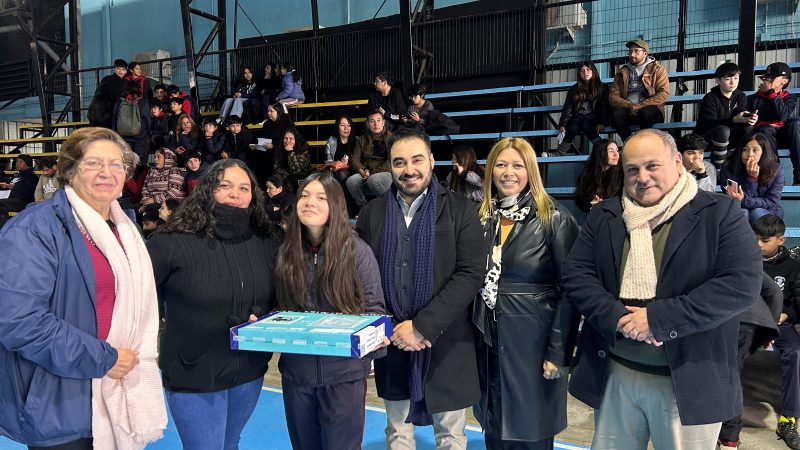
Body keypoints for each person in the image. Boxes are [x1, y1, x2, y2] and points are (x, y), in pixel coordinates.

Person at [563, 128, 762, 450]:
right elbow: (577, 273)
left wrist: (658, 320)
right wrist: (615, 316)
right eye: (632, 169)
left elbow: (740, 285)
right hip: (615, 373)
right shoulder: (606, 215)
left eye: (652, 166)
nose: (642, 177)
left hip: (688, 380)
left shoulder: (719, 213)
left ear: (677, 162)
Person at [0, 127, 167, 449]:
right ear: (69, 171)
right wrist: (103, 358)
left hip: (118, 390)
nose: (107, 173)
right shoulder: (34, 229)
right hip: (60, 397)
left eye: (117, 164)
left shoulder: (124, 228)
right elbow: (18, 321)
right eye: (94, 163)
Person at [356, 128, 485, 450]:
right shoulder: (372, 213)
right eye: (399, 162)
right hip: (393, 341)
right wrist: (382, 328)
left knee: (451, 436)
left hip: (446, 342)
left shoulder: (460, 209)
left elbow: (471, 273)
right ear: (390, 166)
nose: (408, 169)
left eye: (416, 160)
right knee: (397, 433)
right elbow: (362, 276)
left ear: (430, 160)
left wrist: (424, 326)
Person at [147, 158, 279, 449]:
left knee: (230, 444)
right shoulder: (171, 242)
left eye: (244, 187)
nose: (236, 194)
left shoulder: (266, 240)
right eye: (225, 186)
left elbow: (277, 297)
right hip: (193, 371)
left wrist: (265, 314)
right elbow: (138, 299)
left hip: (249, 370)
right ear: (208, 190)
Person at [473, 137, 580, 449]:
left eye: (517, 165)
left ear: (530, 171)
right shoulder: (481, 219)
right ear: (491, 171)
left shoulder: (554, 218)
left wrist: (558, 353)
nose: (509, 172)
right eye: (502, 165)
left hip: (533, 348)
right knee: (495, 430)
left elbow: (571, 291)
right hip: (489, 345)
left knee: (531, 435)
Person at [276, 172, 386, 450]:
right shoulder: (285, 253)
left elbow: (374, 310)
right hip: (296, 375)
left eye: (321, 197)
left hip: (344, 376)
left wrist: (373, 344)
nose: (310, 202)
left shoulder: (357, 252)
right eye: (304, 195)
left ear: (335, 205)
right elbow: (277, 307)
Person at [715, 214, 788, 450]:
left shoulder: (723, 253)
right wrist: (770, 328)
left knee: (729, 377)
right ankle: (725, 435)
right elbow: (774, 294)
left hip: (738, 323)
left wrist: (771, 328)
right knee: (730, 376)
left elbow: (775, 293)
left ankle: (728, 436)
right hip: (739, 322)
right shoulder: (738, 252)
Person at [753, 214, 800, 450]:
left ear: (780, 240)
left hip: (780, 325)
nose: (758, 245)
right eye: (755, 239)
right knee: (724, 349)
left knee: (795, 352)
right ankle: (726, 421)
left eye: (764, 240)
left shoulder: (794, 265)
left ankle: (788, 419)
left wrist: (786, 315)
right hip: (749, 325)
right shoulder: (745, 260)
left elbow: (797, 303)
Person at [747, 62, 800, 185]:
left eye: (772, 78)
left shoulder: (790, 98)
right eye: (766, 77)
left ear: (784, 81)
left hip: (785, 137)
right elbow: (758, 120)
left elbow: (782, 115)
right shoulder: (753, 98)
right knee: (765, 128)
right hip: (765, 136)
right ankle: (776, 174)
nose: (767, 80)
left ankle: (798, 172)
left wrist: (770, 93)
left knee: (795, 122)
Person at [694, 62, 755, 169]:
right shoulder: (710, 98)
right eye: (727, 79)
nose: (733, 82)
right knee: (723, 130)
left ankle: (745, 166)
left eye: (736, 78)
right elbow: (707, 124)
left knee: (750, 129)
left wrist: (749, 119)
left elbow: (741, 118)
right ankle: (719, 168)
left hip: (731, 139)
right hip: (709, 139)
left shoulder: (741, 96)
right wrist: (733, 120)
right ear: (718, 80)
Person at [608, 40, 669, 141]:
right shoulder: (622, 71)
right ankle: (629, 143)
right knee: (616, 113)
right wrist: (629, 105)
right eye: (630, 51)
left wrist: (641, 105)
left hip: (649, 109)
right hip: (628, 109)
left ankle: (643, 144)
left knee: (646, 113)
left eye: (636, 51)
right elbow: (613, 96)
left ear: (645, 53)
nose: (632, 54)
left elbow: (663, 94)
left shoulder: (657, 69)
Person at [719, 132, 784, 223]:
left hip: (768, 211)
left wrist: (744, 199)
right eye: (745, 149)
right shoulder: (729, 167)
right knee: (742, 213)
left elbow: (771, 201)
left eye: (755, 150)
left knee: (756, 213)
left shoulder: (776, 169)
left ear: (763, 152)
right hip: (738, 209)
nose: (749, 154)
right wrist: (751, 179)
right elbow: (734, 201)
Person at [556, 61, 610, 155]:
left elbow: (604, 107)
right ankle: (559, 152)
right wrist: (563, 124)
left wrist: (602, 122)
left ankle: (604, 149)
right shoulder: (574, 89)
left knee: (586, 125)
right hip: (577, 117)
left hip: (593, 118)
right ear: (579, 74)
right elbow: (568, 107)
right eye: (582, 71)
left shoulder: (603, 87)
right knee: (571, 127)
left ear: (593, 71)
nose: (585, 72)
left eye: (588, 69)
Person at [346, 110, 394, 210]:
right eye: (372, 121)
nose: (376, 124)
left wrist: (371, 173)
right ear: (368, 124)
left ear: (383, 122)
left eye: (378, 120)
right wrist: (362, 170)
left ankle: (388, 207)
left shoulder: (391, 138)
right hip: (367, 173)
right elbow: (354, 159)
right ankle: (364, 209)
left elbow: (390, 162)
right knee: (351, 181)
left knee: (373, 179)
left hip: (386, 174)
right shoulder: (363, 139)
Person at [573, 139, 622, 213]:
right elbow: (580, 198)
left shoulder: (622, 172)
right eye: (611, 151)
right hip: (596, 215)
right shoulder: (589, 172)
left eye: (617, 150)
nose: (616, 154)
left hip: (616, 215)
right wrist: (592, 202)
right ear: (600, 153)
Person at [139, 148, 185, 213]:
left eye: (158, 157)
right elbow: (145, 188)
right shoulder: (151, 171)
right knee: (130, 209)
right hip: (151, 203)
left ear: (167, 158)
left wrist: (153, 200)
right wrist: (145, 202)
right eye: (154, 157)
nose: (155, 159)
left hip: (170, 204)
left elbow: (173, 193)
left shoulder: (175, 170)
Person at [88, 58, 128, 128]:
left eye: (123, 69)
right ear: (115, 69)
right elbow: (98, 96)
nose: (120, 71)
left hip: (120, 112)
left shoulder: (126, 82)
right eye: (118, 68)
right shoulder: (107, 79)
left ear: (126, 71)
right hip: (105, 112)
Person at [0, 154, 38, 226]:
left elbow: (27, 191)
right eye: (17, 161)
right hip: (11, 198)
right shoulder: (16, 175)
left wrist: (11, 187)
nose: (17, 163)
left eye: (21, 162)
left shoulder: (31, 176)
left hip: (23, 201)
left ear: (27, 164)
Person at [323, 115, 356, 186]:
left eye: (349, 125)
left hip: (352, 170)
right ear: (337, 127)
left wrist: (343, 165)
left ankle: (344, 196)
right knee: (325, 172)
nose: (346, 128)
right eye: (342, 125)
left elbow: (358, 164)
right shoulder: (331, 140)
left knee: (341, 173)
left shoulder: (357, 141)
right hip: (334, 169)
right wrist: (335, 163)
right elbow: (327, 161)